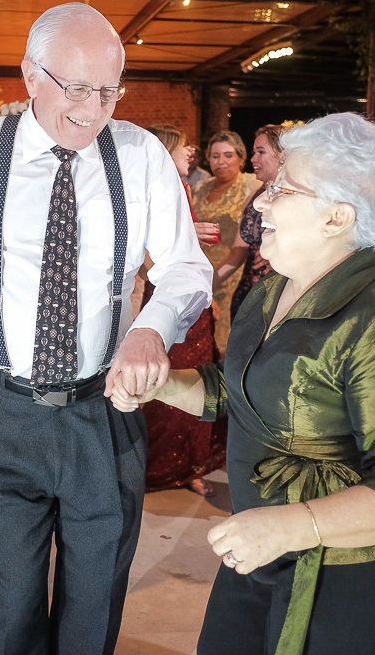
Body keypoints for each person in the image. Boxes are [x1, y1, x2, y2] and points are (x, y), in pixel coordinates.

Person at [0, 2, 213, 654]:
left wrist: (151, 328)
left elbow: (185, 267)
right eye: (77, 88)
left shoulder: (142, 154)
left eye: (109, 91)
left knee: (94, 597)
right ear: (31, 76)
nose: (93, 110)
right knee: (11, 598)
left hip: (105, 412)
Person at [113, 112, 375, 655]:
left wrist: (292, 527)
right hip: (263, 545)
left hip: (338, 571)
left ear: (337, 217)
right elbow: (237, 391)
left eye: (281, 190)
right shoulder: (276, 288)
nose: (261, 204)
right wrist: (157, 384)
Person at [141, 124, 222, 498]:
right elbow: (144, 251)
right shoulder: (149, 187)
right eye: (182, 146)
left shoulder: (184, 186)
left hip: (192, 294)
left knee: (198, 376)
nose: (191, 151)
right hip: (165, 295)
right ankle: (156, 466)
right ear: (163, 150)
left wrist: (207, 293)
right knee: (166, 377)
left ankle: (190, 465)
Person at [190, 129, 259, 352]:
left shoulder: (251, 185)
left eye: (228, 155)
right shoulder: (200, 188)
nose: (221, 162)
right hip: (198, 273)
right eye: (215, 156)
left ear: (241, 158)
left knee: (226, 341)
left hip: (231, 272)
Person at [212, 124, 284, 320]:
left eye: (261, 152)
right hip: (249, 294)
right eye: (253, 152)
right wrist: (208, 285)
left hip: (282, 296)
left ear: (283, 155)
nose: (253, 159)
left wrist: (283, 255)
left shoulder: (301, 196)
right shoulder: (256, 196)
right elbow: (239, 251)